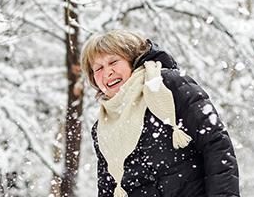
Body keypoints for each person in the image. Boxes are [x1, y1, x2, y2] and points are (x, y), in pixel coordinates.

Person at [80, 30, 239, 197]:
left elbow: (216, 144)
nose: (107, 73)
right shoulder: (103, 127)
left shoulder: (169, 85)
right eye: (98, 68)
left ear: (131, 60)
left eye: (113, 62)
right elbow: (107, 189)